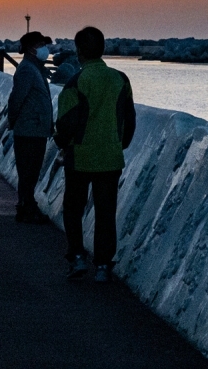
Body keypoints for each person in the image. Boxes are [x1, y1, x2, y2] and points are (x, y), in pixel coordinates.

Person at [56, 26, 137, 284]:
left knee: (73, 209)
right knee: (105, 213)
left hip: (80, 157)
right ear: (103, 49)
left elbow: (66, 122)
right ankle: (103, 265)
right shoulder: (121, 79)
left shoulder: (75, 82)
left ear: (79, 51)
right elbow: (130, 119)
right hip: (110, 158)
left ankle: (77, 257)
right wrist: (119, 143)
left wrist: (61, 142)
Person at [7, 31, 53, 225]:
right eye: (42, 44)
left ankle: (27, 206)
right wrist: (14, 121)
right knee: (28, 172)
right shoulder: (27, 69)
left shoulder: (34, 68)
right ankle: (26, 208)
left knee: (30, 172)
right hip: (29, 129)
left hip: (35, 128)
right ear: (32, 48)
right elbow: (17, 98)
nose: (46, 49)